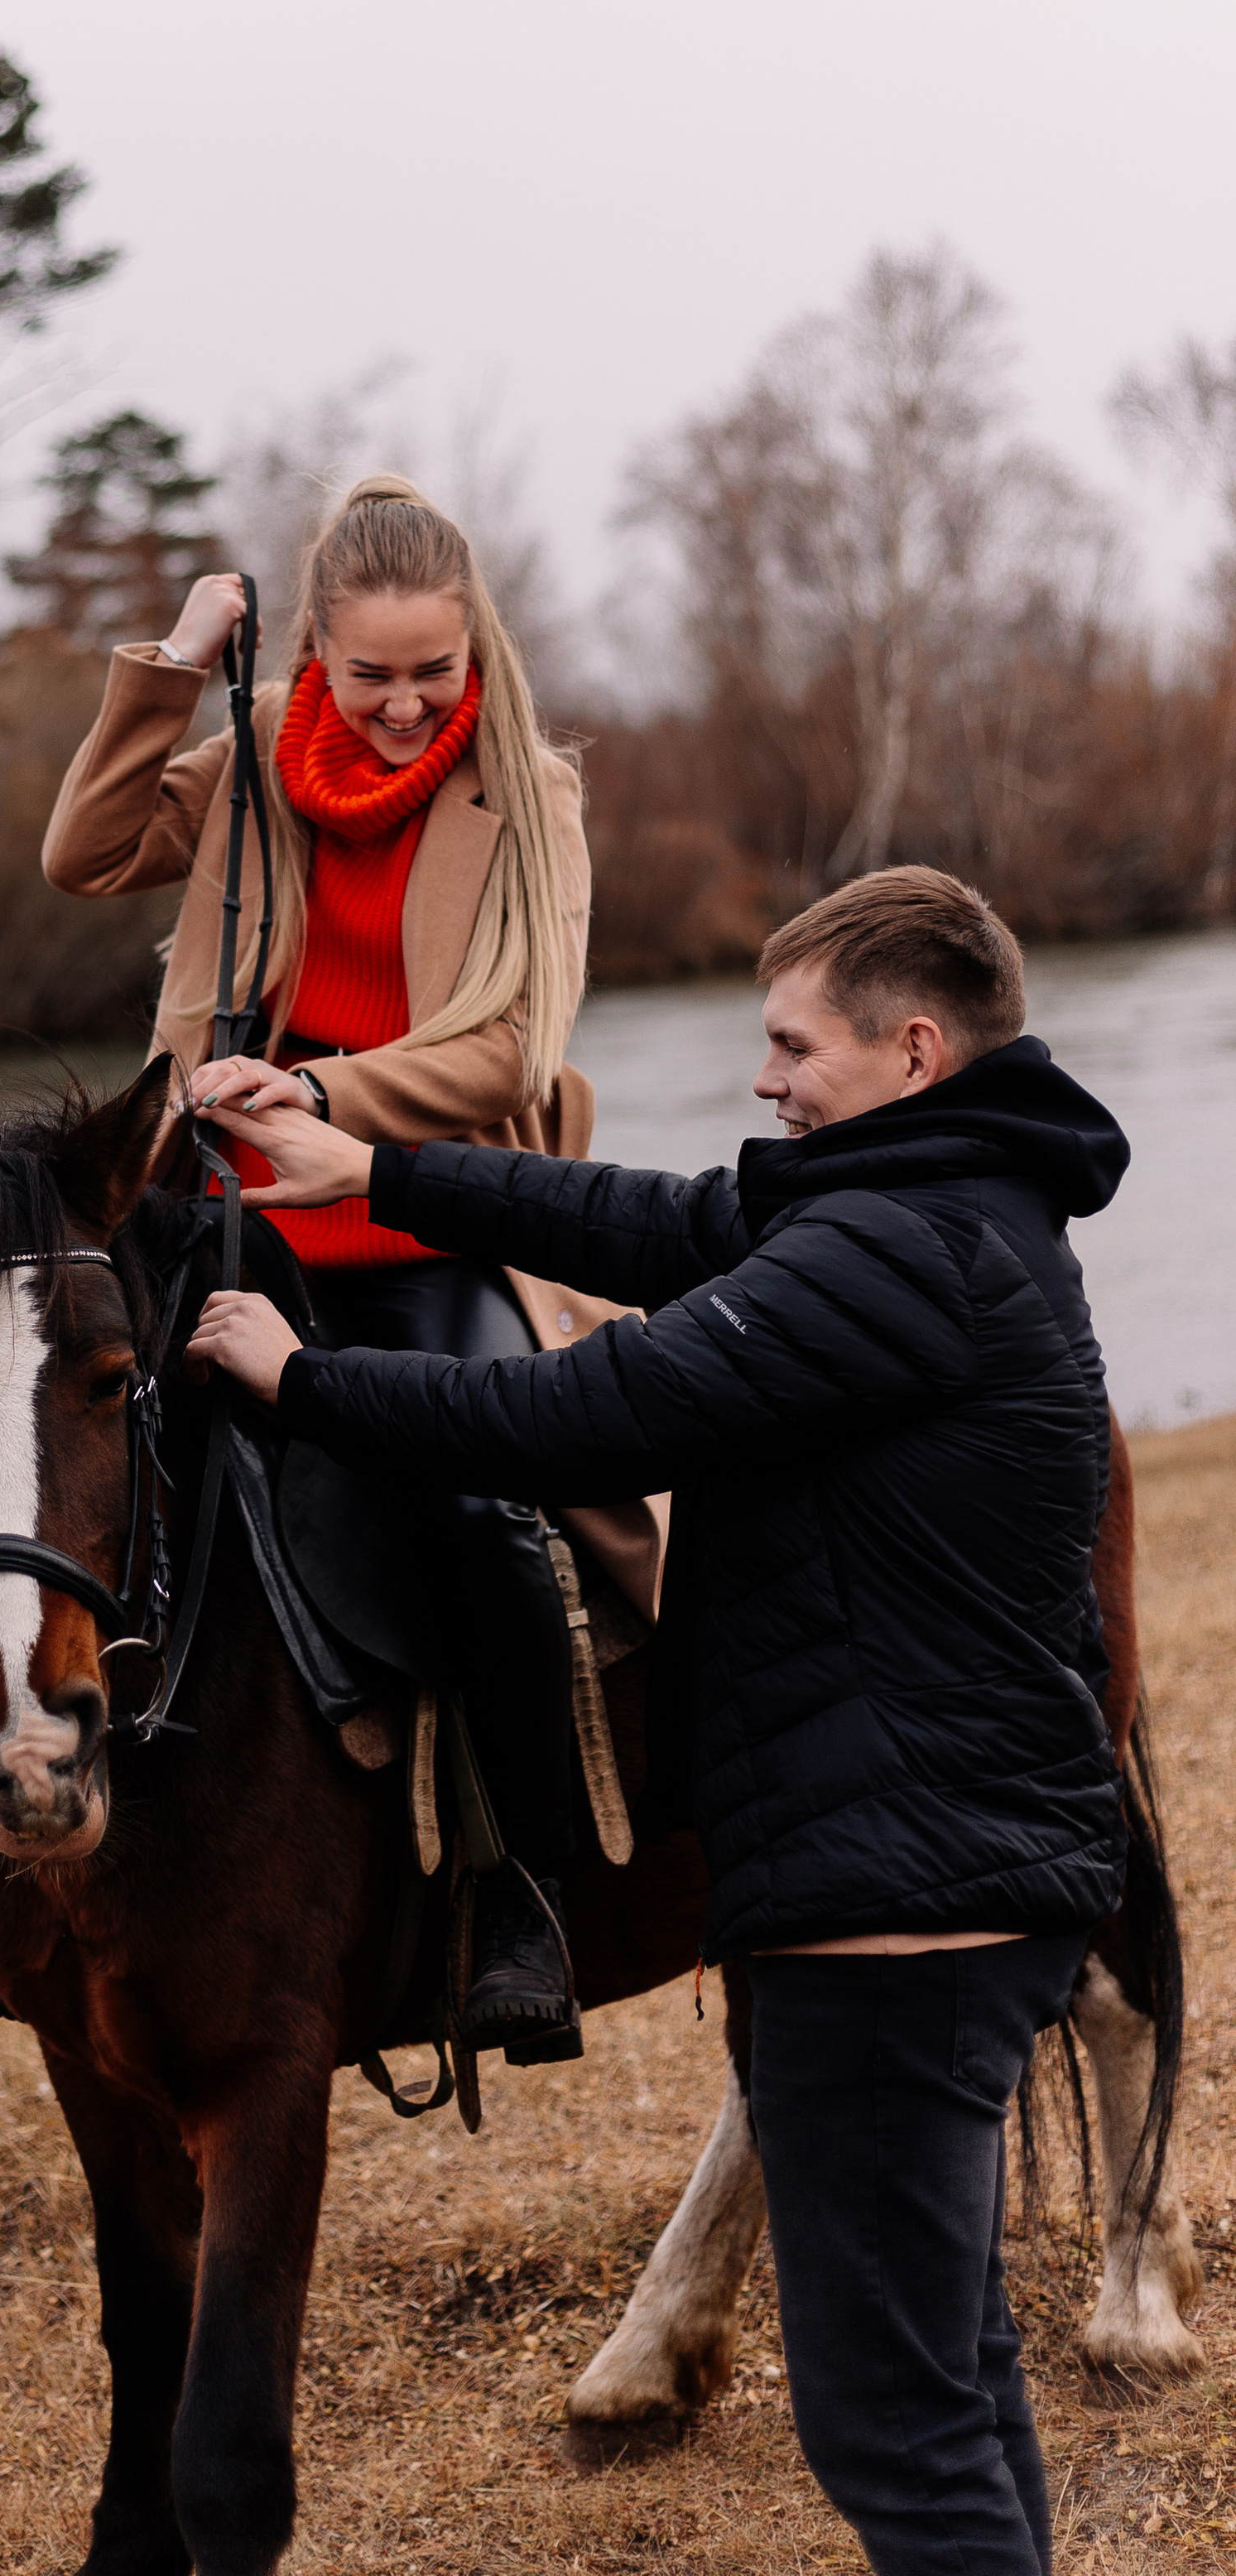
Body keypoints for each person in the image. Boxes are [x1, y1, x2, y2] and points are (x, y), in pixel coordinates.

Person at [187, 864, 1128, 2576]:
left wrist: (302, 1379)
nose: (764, 1078)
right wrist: (372, 1169)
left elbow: (582, 1407)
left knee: (888, 2423)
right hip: (934, 1884)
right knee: (948, 2372)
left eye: (789, 1045)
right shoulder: (934, 1202)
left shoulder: (895, 1252)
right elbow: (658, 1224)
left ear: (909, 1049)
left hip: (894, 1916)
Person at [0, 474, 660, 2058]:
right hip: (215, 1219)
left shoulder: (525, 792)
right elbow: (79, 854)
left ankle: (519, 1896)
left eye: (437, 669)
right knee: (71, 1485)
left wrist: (323, 1097)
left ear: (472, 644)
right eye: (375, 675)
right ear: (316, 657)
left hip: (425, 1215)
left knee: (479, 1510)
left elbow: (507, 1048)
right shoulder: (256, 757)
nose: (412, 704)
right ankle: (10, 1871)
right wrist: (167, 658)